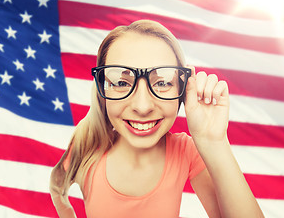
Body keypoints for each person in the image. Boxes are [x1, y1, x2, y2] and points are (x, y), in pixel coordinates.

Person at [50, 20, 264, 218]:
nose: (142, 107)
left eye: (162, 83)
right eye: (122, 83)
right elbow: (57, 185)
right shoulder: (87, 147)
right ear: (101, 89)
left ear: (183, 88)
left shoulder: (184, 152)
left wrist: (213, 141)